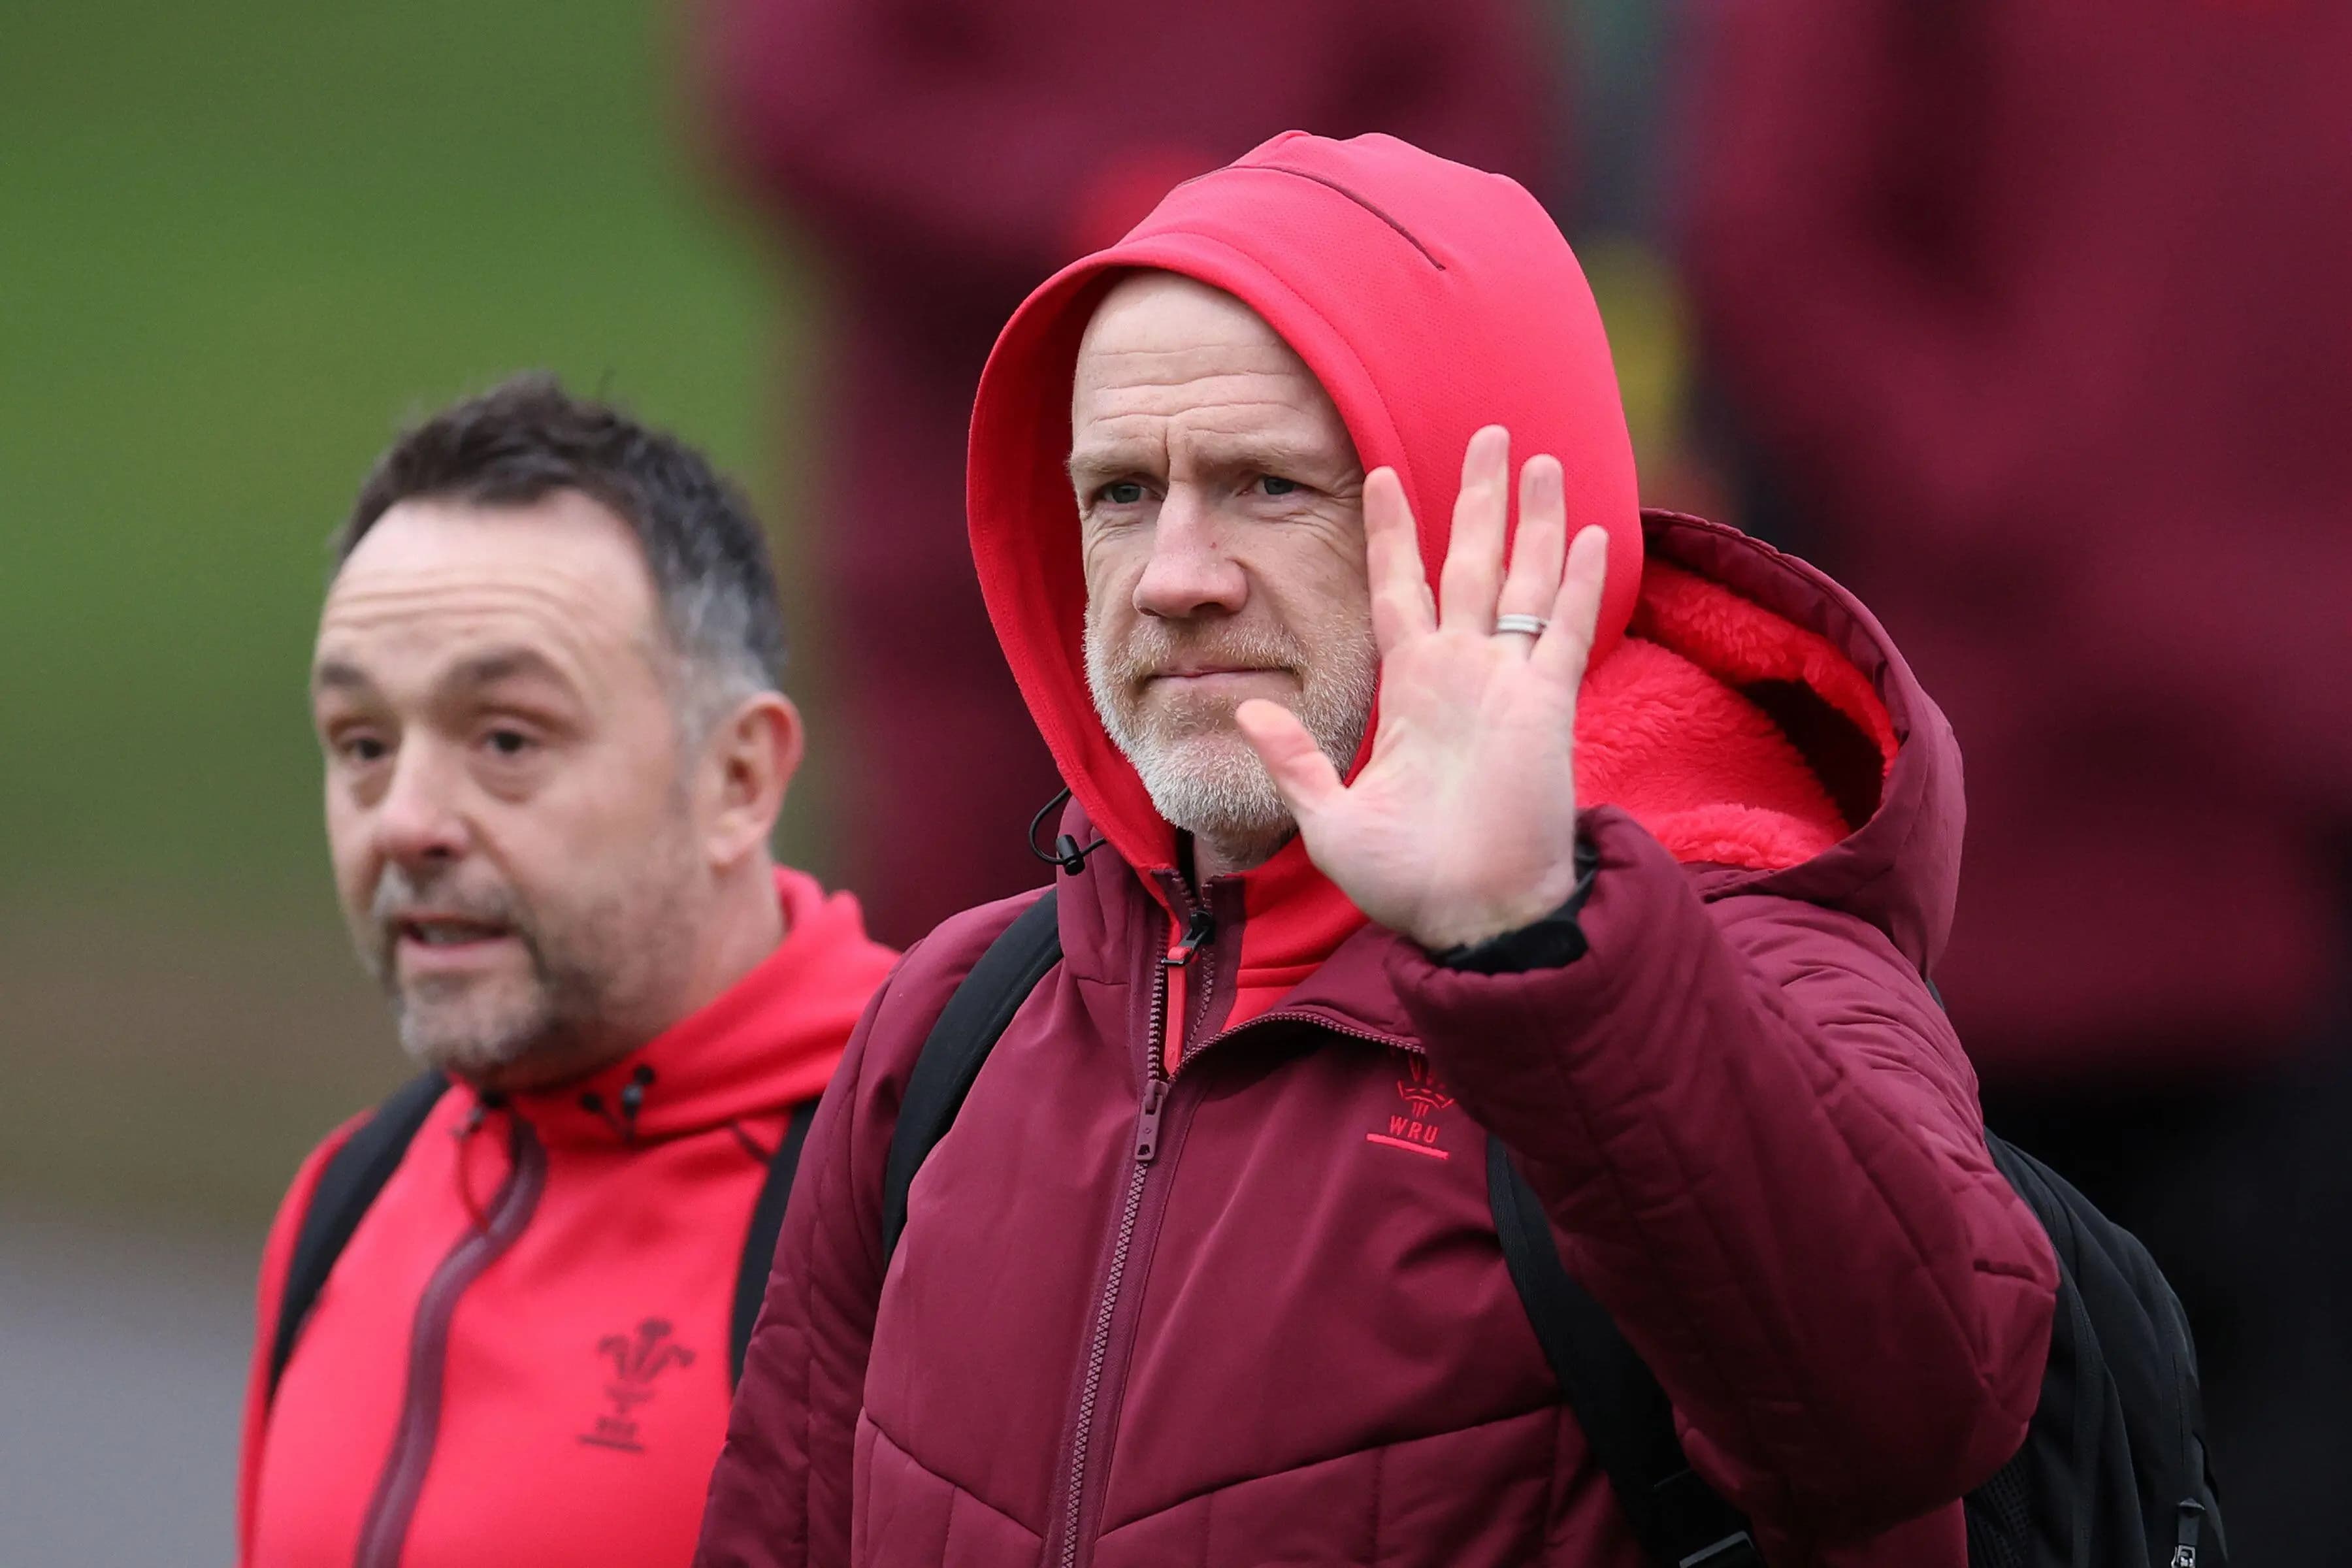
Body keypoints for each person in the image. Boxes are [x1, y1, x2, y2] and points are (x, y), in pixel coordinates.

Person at [696, 132, 2058, 1568]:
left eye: (1269, 486)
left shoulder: (1742, 953)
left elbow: (1922, 1416)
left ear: (1506, 516)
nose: (1174, 579)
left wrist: (1536, 939)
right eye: (1119, 494)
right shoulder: (959, 1025)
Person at [1679, 7, 2352, 1554]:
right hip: (2037, 815)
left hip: (2291, 776)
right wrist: (2052, 507)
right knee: (2032, 1433)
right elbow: (1779, 237)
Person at [696, 0, 1561, 944]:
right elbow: (813, 100)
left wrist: (1304, 232)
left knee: (1363, 943)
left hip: (1344, 513)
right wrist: (1108, 201)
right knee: (977, 957)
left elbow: (1473, 124)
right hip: (957, 549)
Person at [236, 377, 899, 1568]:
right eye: (365, 746)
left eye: (507, 739)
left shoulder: (923, 1201)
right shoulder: (347, 1200)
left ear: (738, 780)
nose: (408, 822)